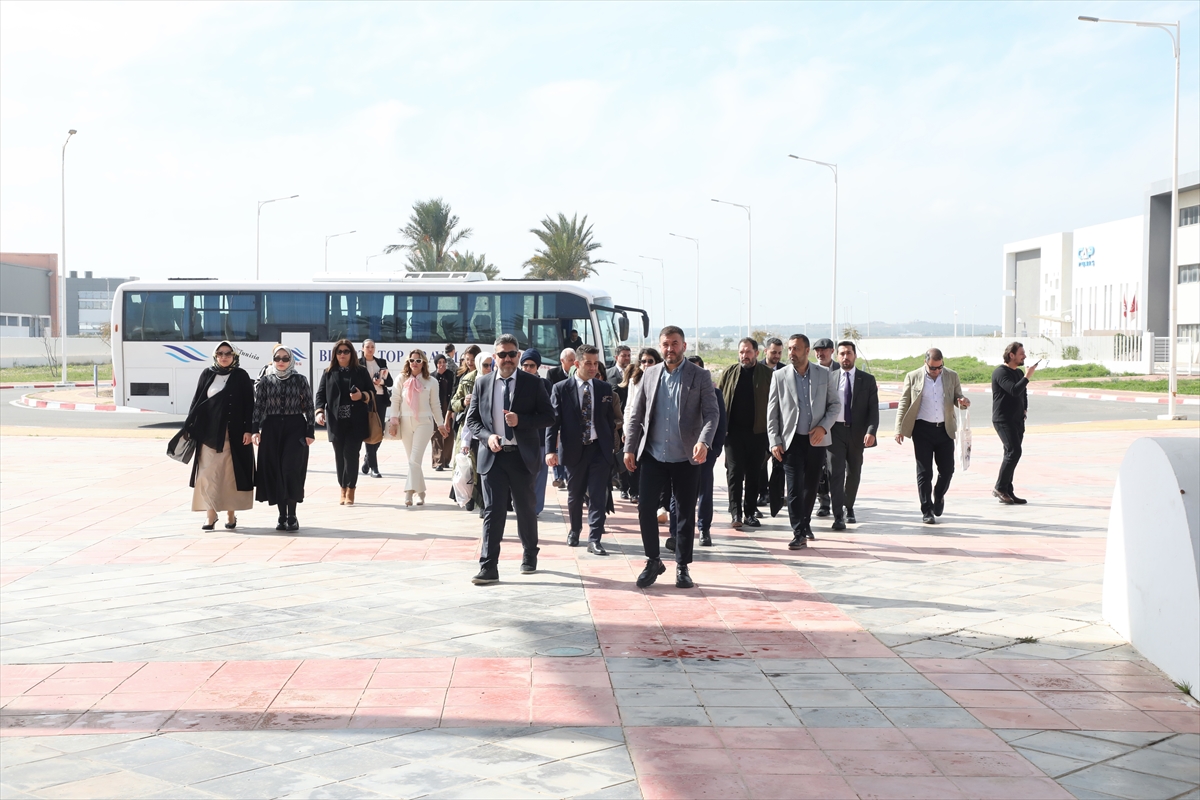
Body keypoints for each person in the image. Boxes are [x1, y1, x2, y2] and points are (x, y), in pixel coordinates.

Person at [624, 326, 719, 589]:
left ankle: (682, 566)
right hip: (653, 455)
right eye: (665, 344)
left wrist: (703, 441)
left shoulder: (699, 376)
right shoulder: (650, 374)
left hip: (686, 457)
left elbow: (712, 414)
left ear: (684, 346)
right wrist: (629, 448)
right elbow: (636, 415)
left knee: (686, 513)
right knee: (645, 509)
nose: (670, 349)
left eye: (675, 344)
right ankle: (653, 560)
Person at [466, 335, 555, 585]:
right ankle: (488, 566)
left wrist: (521, 421)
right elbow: (472, 420)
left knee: (525, 509)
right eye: (502, 354)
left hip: (521, 457)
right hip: (493, 456)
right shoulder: (482, 383)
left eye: (512, 354)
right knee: (493, 512)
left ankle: (529, 554)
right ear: (494, 357)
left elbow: (549, 416)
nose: (507, 359)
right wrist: (487, 436)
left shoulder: (533, 383)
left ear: (518, 355)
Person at [767, 334, 841, 550]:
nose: (791, 353)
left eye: (796, 349)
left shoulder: (823, 374)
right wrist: (774, 441)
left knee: (810, 486)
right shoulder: (780, 376)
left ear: (806, 350)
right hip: (791, 442)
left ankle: (805, 522)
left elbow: (834, 405)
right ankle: (798, 531)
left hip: (816, 440)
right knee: (794, 488)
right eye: (789, 348)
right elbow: (772, 413)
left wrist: (823, 427)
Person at [547, 344, 617, 556]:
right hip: (574, 450)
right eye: (588, 363)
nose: (593, 367)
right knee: (575, 494)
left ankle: (594, 539)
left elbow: (609, 421)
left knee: (598, 495)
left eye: (596, 363)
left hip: (599, 450)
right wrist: (550, 450)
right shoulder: (561, 388)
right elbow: (553, 422)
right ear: (576, 364)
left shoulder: (604, 388)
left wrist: (612, 446)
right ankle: (575, 530)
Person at [178, 341, 255, 531]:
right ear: (215, 355)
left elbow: (249, 405)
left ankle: (230, 513)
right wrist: (190, 426)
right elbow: (197, 401)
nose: (224, 356)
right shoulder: (207, 374)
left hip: (235, 436)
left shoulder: (241, 375)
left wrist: (249, 430)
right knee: (208, 474)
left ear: (234, 356)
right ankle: (210, 515)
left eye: (228, 353)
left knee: (230, 476)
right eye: (220, 353)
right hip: (209, 435)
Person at [894, 348, 970, 524]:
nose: (936, 371)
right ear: (925, 363)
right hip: (922, 430)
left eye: (939, 367)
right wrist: (899, 428)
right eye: (933, 368)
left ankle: (939, 493)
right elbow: (904, 401)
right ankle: (926, 510)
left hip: (945, 430)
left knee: (948, 470)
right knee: (924, 472)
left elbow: (959, 398)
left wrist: (964, 402)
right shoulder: (913, 377)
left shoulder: (951, 376)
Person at [253, 344, 315, 531]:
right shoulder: (266, 381)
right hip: (271, 428)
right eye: (277, 358)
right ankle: (281, 516)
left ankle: (292, 515)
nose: (281, 362)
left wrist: (310, 431)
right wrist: (255, 429)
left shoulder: (300, 380)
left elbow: (310, 406)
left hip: (295, 427)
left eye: (285, 358)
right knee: (276, 471)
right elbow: (258, 407)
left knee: (291, 470)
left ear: (291, 360)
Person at [668, 355, 726, 549]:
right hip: (679, 451)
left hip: (705, 451)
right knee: (677, 495)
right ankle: (675, 533)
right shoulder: (676, 391)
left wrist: (714, 449)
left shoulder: (714, 393)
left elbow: (719, 422)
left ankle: (704, 529)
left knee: (704, 492)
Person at [717, 337, 772, 531]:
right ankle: (735, 512)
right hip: (733, 433)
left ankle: (750, 512)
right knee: (734, 473)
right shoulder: (729, 373)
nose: (744, 355)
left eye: (748, 352)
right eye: (741, 352)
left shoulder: (767, 374)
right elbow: (719, 399)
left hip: (758, 433)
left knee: (753, 474)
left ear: (757, 353)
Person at [827, 340, 880, 529]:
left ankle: (848, 506)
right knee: (836, 473)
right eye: (841, 354)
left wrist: (871, 431)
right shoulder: (829, 379)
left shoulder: (867, 380)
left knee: (854, 472)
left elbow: (873, 409)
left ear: (854, 355)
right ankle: (838, 515)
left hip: (857, 433)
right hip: (835, 432)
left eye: (848, 353)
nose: (845, 357)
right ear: (837, 356)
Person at [315, 339, 374, 506]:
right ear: (335, 354)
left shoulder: (361, 371)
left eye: (345, 351)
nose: (342, 354)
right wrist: (319, 411)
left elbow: (371, 392)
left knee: (351, 455)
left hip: (356, 423)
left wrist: (361, 396)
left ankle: (351, 489)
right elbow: (320, 395)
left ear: (352, 353)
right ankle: (342, 488)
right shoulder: (328, 372)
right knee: (339, 457)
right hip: (336, 423)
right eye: (339, 351)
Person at [387, 349, 447, 507]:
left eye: (418, 361)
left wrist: (440, 424)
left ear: (424, 363)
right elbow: (395, 399)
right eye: (412, 360)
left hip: (424, 423)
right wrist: (393, 420)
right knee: (413, 461)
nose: (415, 363)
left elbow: (435, 404)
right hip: (405, 421)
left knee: (415, 459)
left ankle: (408, 492)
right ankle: (421, 492)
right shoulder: (401, 378)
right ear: (408, 361)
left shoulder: (431, 381)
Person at [992, 341, 1034, 505]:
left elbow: (1022, 393)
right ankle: (1000, 488)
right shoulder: (1000, 373)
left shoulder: (1018, 373)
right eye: (1021, 353)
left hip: (1017, 420)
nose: (1024, 356)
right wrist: (1028, 376)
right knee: (1014, 452)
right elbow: (1014, 390)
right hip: (1003, 420)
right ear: (1012, 355)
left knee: (1011, 454)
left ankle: (1008, 490)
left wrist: (1024, 410)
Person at [521, 348, 553, 516]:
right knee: (522, 474)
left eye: (531, 365)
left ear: (538, 367)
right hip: (521, 437)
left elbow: (549, 412)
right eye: (525, 365)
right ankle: (521, 504)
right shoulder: (516, 383)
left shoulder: (546, 385)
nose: (528, 369)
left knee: (540, 476)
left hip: (540, 437)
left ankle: (535, 508)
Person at [758, 337, 786, 513]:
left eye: (779, 353)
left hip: (780, 427)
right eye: (773, 352)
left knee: (779, 463)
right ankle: (762, 493)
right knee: (760, 463)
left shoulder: (786, 371)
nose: (776, 356)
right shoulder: (756, 369)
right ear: (765, 351)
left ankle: (777, 494)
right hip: (760, 425)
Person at [810, 337, 837, 518]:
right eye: (817, 351)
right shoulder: (812, 371)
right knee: (820, 468)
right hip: (818, 427)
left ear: (831, 351)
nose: (820, 354)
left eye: (823, 350)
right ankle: (823, 501)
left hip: (838, 427)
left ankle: (839, 501)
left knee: (834, 468)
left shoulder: (840, 370)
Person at [360, 339, 392, 479]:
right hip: (366, 400)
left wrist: (381, 382)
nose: (370, 349)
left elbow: (390, 382)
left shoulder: (381, 363)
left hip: (380, 399)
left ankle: (368, 460)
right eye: (367, 347)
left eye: (372, 347)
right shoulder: (358, 363)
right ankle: (374, 467)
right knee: (370, 432)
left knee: (379, 432)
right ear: (362, 349)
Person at [547, 348, 576, 487]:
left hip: (571, 419)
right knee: (557, 446)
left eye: (574, 360)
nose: (573, 362)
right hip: (557, 414)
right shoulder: (553, 373)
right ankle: (559, 477)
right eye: (570, 360)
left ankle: (566, 476)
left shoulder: (576, 374)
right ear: (562, 361)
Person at [431, 354, 456, 472]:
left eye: (443, 362)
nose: (442, 364)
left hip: (449, 407)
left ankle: (446, 460)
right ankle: (438, 462)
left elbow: (454, 391)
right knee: (436, 434)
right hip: (436, 408)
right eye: (439, 362)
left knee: (449, 434)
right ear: (436, 364)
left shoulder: (451, 375)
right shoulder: (432, 377)